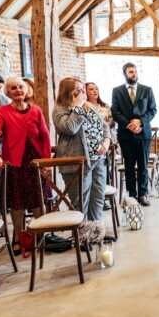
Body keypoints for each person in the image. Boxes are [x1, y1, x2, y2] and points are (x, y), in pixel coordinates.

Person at [0, 77, 52, 256]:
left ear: (26, 90)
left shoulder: (36, 110)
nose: (17, 90)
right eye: (13, 88)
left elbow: (45, 136)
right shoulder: (3, 111)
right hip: (15, 163)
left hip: (36, 162)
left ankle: (40, 235)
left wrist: (47, 161)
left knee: (39, 199)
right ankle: (17, 237)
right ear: (7, 92)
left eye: (20, 87)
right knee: (18, 203)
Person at [53, 78, 111, 223]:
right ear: (67, 91)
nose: (82, 92)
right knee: (80, 200)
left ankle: (95, 232)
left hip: (98, 159)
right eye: (78, 89)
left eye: (82, 89)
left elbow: (105, 126)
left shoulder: (88, 106)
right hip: (77, 160)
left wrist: (106, 141)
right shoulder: (60, 109)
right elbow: (69, 128)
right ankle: (82, 236)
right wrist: (78, 106)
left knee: (98, 197)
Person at [111, 63, 157, 206]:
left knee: (143, 165)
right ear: (125, 74)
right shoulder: (117, 91)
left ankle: (143, 194)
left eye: (136, 71)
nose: (134, 74)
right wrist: (129, 125)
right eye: (131, 72)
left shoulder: (147, 90)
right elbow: (115, 112)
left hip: (143, 134)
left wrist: (140, 122)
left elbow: (152, 110)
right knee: (129, 166)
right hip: (126, 134)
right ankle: (132, 196)